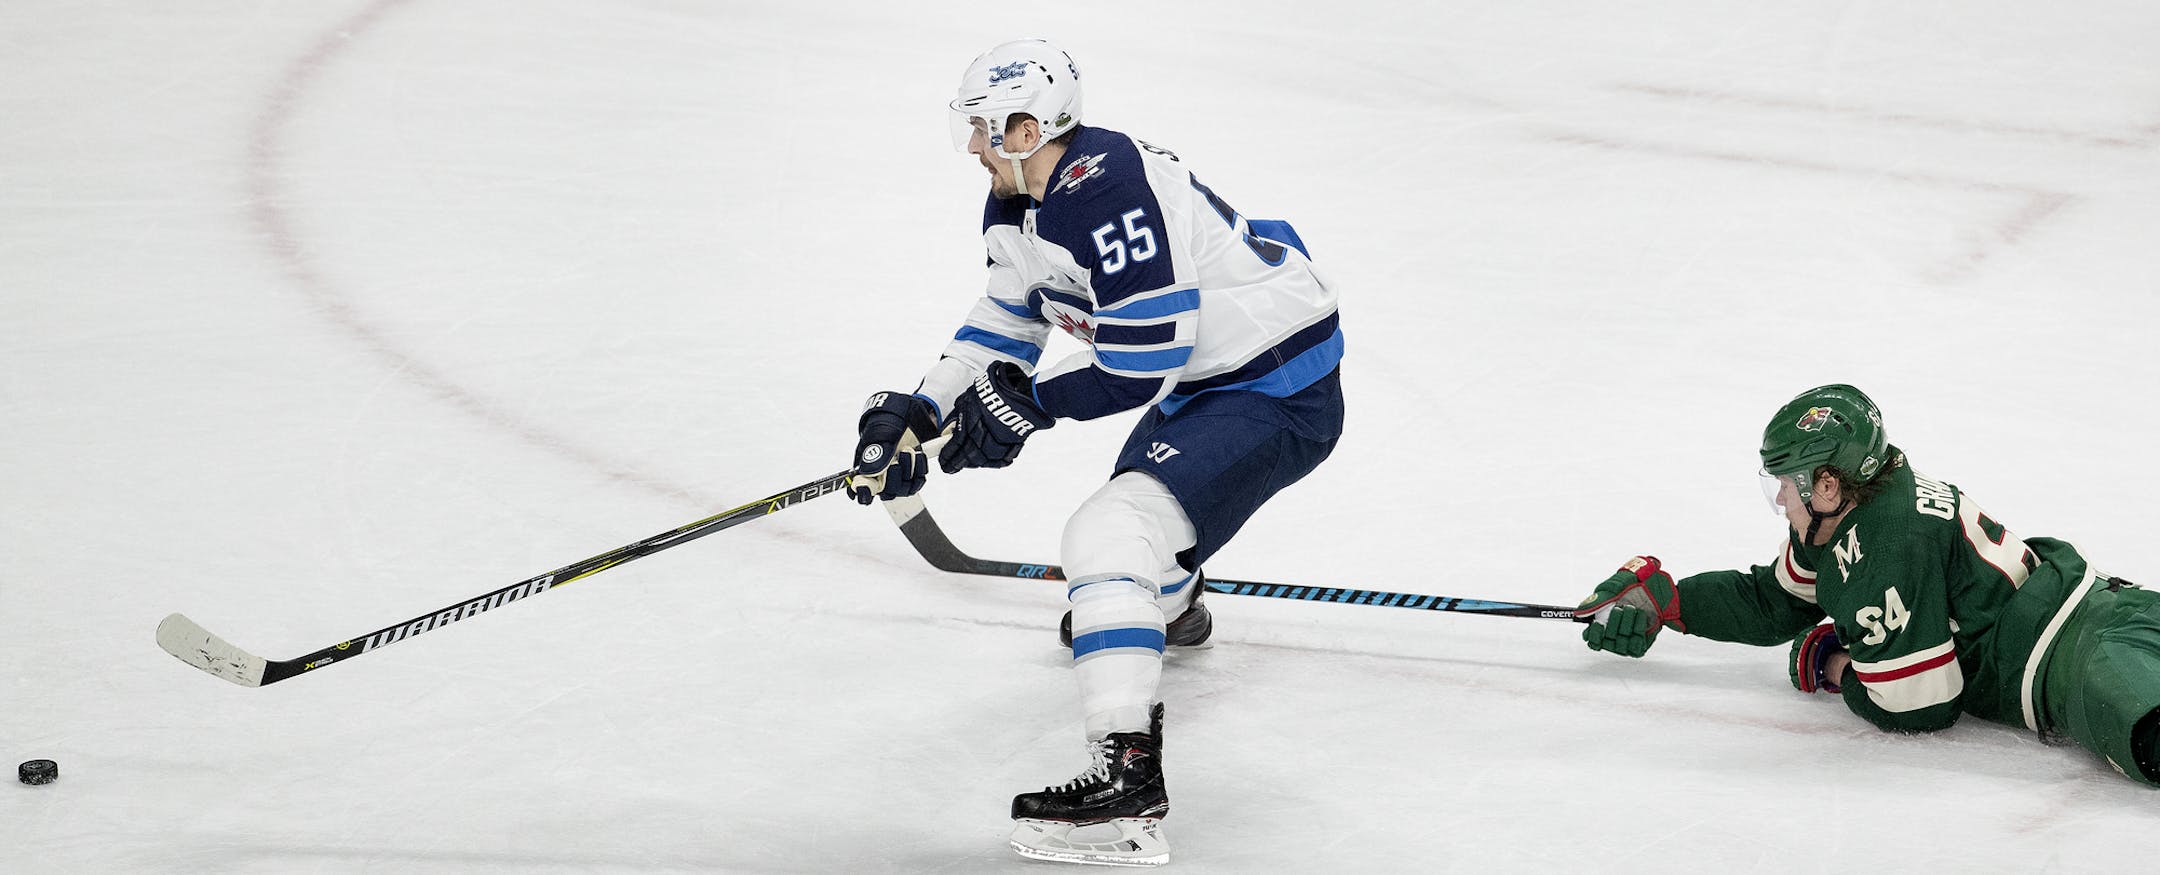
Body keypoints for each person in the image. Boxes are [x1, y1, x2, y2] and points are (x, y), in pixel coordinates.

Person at [845, 38, 1344, 866]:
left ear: (1028, 125)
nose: (972, 147)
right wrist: (923, 406)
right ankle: (1168, 607)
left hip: (1277, 387)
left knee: (1107, 537)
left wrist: (1028, 403)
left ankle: (1127, 793)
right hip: (1214, 380)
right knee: (1139, 532)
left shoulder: (1106, 190)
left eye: (983, 129)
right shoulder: (1022, 198)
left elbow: (1146, 354)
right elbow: (1012, 313)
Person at [1576, 384, 2160, 785]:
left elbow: (1922, 706)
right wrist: (1672, 601)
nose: (1781, 499)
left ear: (1827, 486)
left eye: (1787, 483)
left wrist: (1833, 659)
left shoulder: (1878, 548)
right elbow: (1775, 601)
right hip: (2115, 605)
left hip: (2084, 668)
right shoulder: (1871, 499)